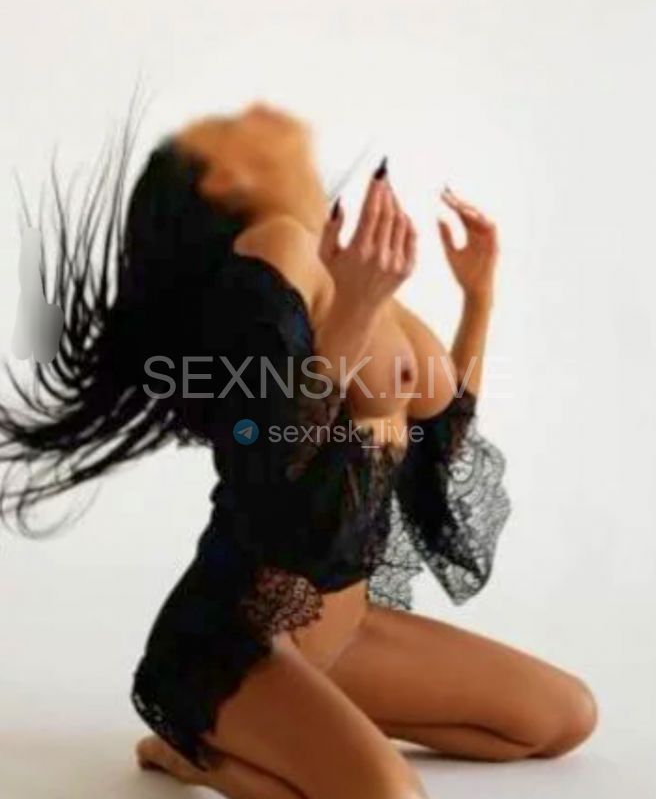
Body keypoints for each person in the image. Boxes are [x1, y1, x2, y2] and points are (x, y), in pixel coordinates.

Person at [0, 101, 598, 799]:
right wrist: (356, 307)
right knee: (392, 798)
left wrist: (479, 294)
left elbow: (443, 435)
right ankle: (195, 748)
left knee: (564, 718)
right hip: (238, 640)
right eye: (236, 129)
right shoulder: (272, 251)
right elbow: (271, 451)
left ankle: (302, 729)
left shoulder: (338, 260)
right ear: (226, 180)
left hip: (346, 632)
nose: (263, 111)